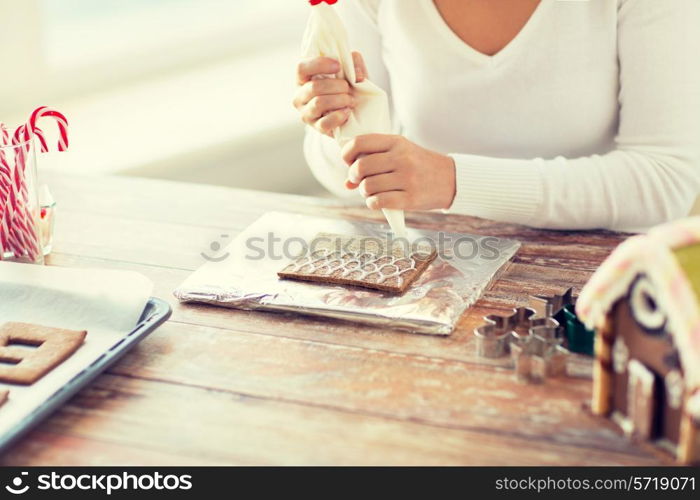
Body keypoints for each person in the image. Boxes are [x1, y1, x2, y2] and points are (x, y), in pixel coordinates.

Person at [293, 0, 700, 232]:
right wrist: (338, 129)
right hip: (437, 263)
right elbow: (340, 177)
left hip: (600, 283)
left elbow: (665, 183)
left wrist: (453, 182)